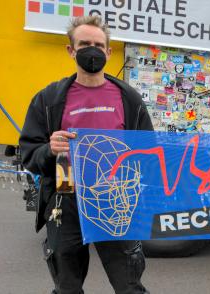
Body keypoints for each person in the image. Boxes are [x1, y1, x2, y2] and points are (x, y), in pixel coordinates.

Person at [19, 16, 151, 294]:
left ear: (109, 51)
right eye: (84, 44)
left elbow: (149, 153)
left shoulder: (129, 99)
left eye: (98, 44)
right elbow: (29, 154)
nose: (92, 50)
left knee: (130, 287)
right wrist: (48, 150)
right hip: (67, 200)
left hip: (116, 201)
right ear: (71, 50)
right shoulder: (49, 99)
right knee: (67, 287)